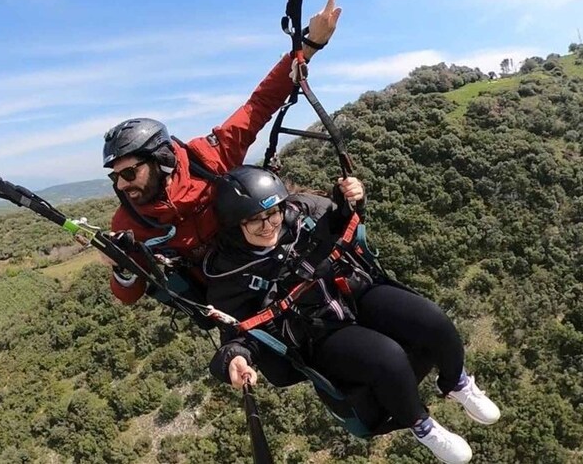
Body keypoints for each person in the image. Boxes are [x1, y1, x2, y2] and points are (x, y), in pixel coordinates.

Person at [203, 166, 501, 464]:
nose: (268, 226)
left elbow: (344, 218)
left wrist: (352, 197)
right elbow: (237, 331)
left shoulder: (303, 212)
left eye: (273, 214)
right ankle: (421, 425)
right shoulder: (229, 273)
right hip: (318, 329)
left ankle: (456, 382)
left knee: (433, 320)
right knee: (389, 358)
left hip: (353, 290)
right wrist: (234, 359)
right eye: (255, 221)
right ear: (234, 226)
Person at [99, 0, 342, 306]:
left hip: (274, 254)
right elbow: (129, 295)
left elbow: (259, 105)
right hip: (234, 295)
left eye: (129, 172)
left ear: (161, 160)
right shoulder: (129, 223)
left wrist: (309, 46)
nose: (121, 184)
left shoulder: (208, 157)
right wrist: (121, 267)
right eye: (115, 177)